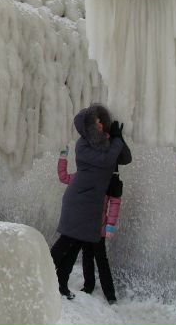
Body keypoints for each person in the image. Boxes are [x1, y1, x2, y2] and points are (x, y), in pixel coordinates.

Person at [50, 104, 132, 300]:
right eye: (96, 123)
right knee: (65, 243)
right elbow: (106, 160)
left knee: (74, 247)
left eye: (101, 121)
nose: (100, 125)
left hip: (91, 205)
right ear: (88, 127)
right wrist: (116, 141)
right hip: (78, 201)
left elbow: (125, 158)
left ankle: (61, 284)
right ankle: (41, 275)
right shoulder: (83, 145)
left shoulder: (106, 142)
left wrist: (119, 138)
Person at [57, 146, 122, 303]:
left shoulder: (111, 180)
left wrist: (110, 225)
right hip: (85, 225)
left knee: (101, 260)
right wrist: (63, 156)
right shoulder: (85, 176)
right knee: (87, 255)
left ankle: (110, 295)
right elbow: (64, 177)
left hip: (98, 228)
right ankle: (88, 286)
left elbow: (115, 202)